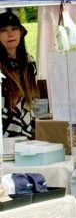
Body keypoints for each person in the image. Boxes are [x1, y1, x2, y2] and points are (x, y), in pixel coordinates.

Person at [0, 11, 38, 140]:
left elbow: (32, 96)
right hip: (4, 130)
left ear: (21, 32)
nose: (10, 34)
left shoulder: (29, 61)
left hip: (27, 128)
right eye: (4, 30)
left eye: (14, 29)